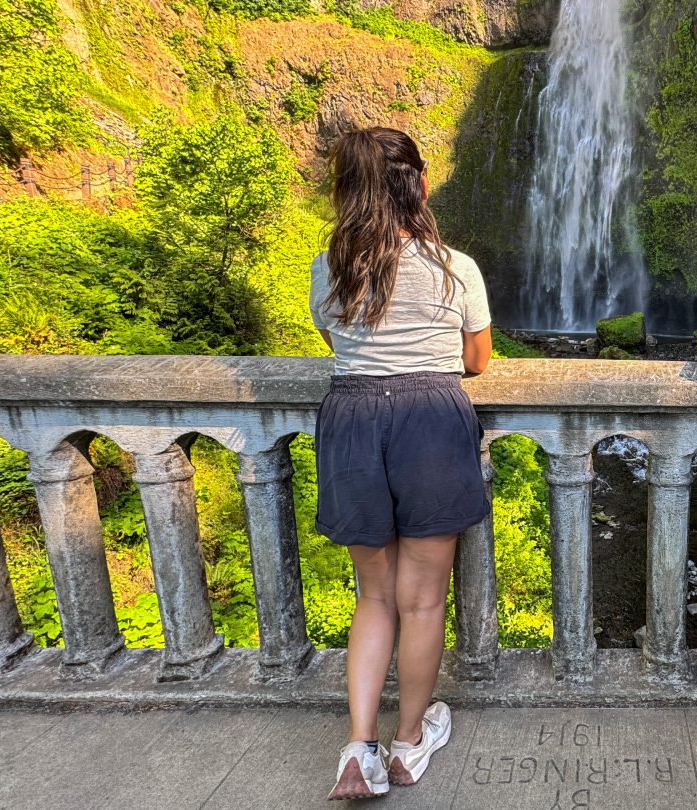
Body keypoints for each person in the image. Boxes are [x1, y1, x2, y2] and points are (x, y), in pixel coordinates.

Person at [310, 126, 493, 801]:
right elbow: (477, 361)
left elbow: (336, 341)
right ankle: (410, 742)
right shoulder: (455, 266)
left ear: (346, 191)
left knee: (375, 596)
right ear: (418, 184)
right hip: (431, 422)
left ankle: (359, 747)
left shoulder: (327, 268)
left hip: (352, 420)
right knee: (422, 600)